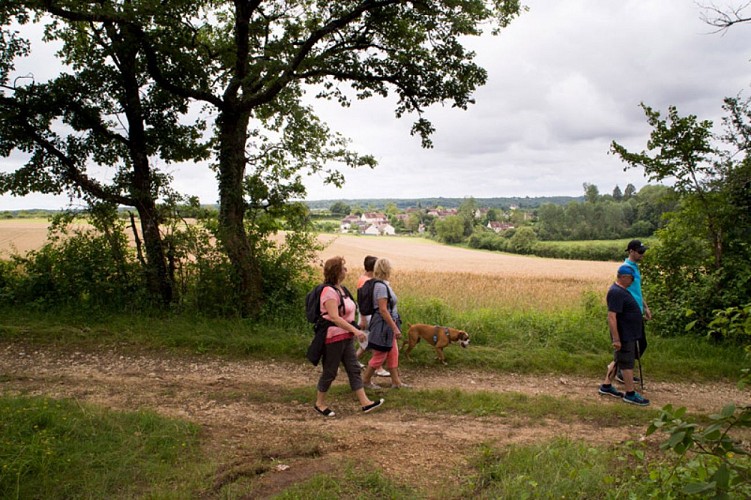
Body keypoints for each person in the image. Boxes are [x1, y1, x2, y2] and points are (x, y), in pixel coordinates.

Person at [314, 256, 384, 417]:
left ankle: (365, 403)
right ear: (337, 272)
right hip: (333, 337)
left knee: (353, 369)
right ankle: (320, 403)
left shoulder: (342, 290)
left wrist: (355, 328)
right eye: (343, 268)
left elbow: (347, 313)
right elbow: (334, 317)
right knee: (330, 371)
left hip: (345, 337)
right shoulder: (328, 292)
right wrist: (356, 331)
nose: (346, 271)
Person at [599, 264, 650, 406]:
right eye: (631, 278)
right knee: (627, 365)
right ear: (623, 277)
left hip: (629, 333)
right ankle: (630, 394)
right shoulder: (616, 292)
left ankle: (606, 386)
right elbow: (612, 317)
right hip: (624, 335)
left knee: (618, 360)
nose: (633, 281)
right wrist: (616, 339)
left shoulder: (623, 290)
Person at [362, 258, 409, 389]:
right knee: (380, 354)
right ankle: (365, 381)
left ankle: (396, 382)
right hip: (384, 325)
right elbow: (383, 310)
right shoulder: (381, 287)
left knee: (393, 352)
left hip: (388, 324)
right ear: (387, 269)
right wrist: (395, 328)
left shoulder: (382, 284)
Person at [616, 239, 651, 384]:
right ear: (631, 251)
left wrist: (645, 307)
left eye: (643, 251)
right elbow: (623, 290)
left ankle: (623, 370)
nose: (643, 254)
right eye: (640, 251)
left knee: (641, 344)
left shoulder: (635, 267)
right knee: (631, 345)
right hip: (629, 312)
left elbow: (637, 291)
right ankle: (621, 371)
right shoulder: (626, 268)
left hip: (637, 310)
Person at [355, 255, 390, 378]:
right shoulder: (365, 281)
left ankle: (353, 360)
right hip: (368, 315)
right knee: (374, 340)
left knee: (366, 342)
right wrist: (363, 318)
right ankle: (378, 368)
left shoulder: (364, 279)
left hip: (367, 314)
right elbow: (362, 301)